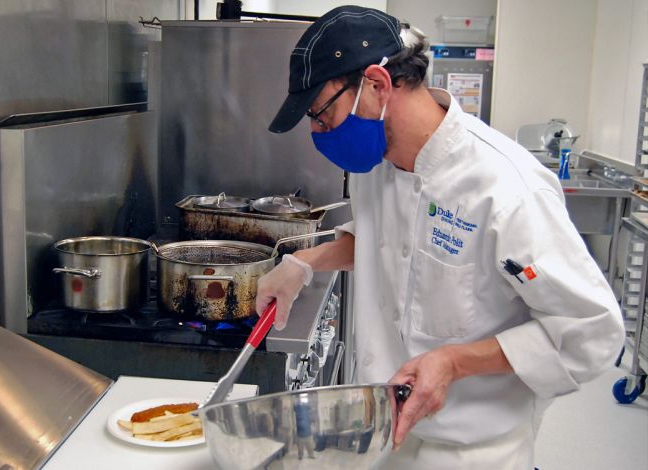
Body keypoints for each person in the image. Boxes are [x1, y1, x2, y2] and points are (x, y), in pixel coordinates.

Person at [255, 5, 625, 469]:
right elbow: (381, 239)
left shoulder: (506, 189)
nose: (317, 131)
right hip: (386, 434)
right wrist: (305, 261)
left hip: (473, 451)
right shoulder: (376, 164)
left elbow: (591, 331)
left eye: (320, 113)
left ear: (376, 85)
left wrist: (455, 361)